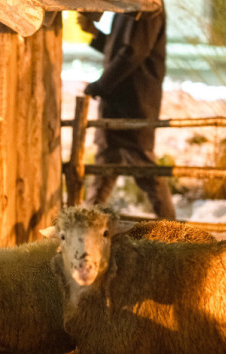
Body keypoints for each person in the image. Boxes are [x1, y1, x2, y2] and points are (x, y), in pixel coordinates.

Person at [77, 8, 175, 220]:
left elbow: (132, 53)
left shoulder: (148, 7)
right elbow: (120, 51)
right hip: (120, 103)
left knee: (143, 166)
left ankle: (175, 232)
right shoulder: (129, 5)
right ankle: (86, 229)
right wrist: (94, 33)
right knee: (105, 167)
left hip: (135, 102)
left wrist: (101, 85)